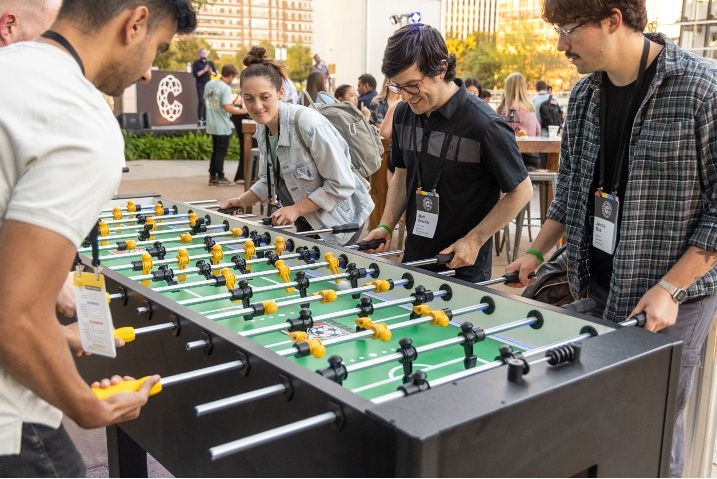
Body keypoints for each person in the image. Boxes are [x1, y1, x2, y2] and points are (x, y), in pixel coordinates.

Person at [505, 1, 717, 476]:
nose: (561, 45)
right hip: (595, 287)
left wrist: (671, 288)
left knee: (650, 434)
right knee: (590, 425)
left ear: (613, 20)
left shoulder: (703, 89)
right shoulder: (583, 97)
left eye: (568, 31)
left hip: (668, 300)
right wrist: (536, 251)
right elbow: (572, 191)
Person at [0, 0, 197, 476]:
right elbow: (17, 317)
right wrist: (88, 407)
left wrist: (59, 335)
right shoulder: (82, 121)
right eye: (159, 48)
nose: (150, 73)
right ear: (135, 23)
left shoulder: (11, 68)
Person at [361, 23, 532, 282]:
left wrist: (475, 240)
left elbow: (522, 190)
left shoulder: (484, 124)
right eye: (397, 87)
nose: (405, 97)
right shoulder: (404, 115)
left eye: (413, 85)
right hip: (415, 256)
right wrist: (386, 224)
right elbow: (401, 173)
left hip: (463, 268)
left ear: (441, 68)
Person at [220, 47, 374, 246]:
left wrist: (296, 209)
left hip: (339, 223)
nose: (257, 106)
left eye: (265, 97)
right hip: (307, 219)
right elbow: (270, 180)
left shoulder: (308, 124)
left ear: (280, 92)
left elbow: (341, 184)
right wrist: (242, 201)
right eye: (249, 98)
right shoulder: (263, 129)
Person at [204, 64, 247, 186]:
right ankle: (220, 176)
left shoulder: (209, 84)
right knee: (221, 151)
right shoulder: (225, 88)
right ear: (231, 75)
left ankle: (212, 176)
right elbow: (227, 107)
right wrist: (241, 111)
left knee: (215, 150)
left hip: (211, 123)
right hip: (222, 125)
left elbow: (206, 101)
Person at [497, 72, 541, 168]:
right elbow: (538, 130)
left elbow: (506, 132)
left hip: (517, 158)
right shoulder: (530, 107)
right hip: (533, 156)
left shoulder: (511, 109)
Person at [192, 48, 216, 126]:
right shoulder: (196, 63)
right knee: (201, 101)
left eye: (205, 53)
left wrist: (211, 71)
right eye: (202, 53)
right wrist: (204, 70)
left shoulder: (210, 63)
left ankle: (206, 119)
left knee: (208, 102)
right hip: (200, 85)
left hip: (209, 85)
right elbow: (196, 74)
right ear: (199, 54)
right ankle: (200, 119)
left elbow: (215, 73)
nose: (204, 54)